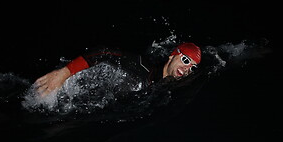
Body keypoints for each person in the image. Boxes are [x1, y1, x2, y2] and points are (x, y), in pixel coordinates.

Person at [34, 42, 201, 97]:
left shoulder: (168, 87)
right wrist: (63, 73)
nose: (187, 68)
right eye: (185, 60)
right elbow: (104, 52)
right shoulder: (141, 66)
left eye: (192, 67)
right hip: (65, 86)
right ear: (172, 56)